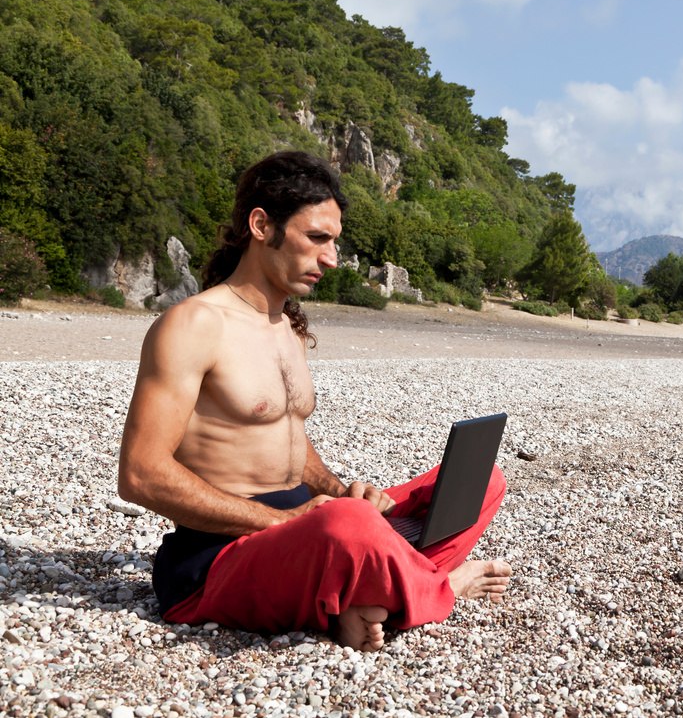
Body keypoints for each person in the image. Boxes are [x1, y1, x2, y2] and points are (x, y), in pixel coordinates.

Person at [117, 151, 511, 651]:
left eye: (334, 242)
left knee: (480, 480)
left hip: (311, 528)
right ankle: (437, 588)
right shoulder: (194, 325)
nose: (331, 258)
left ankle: (360, 595)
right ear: (262, 225)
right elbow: (140, 474)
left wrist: (340, 488)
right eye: (317, 238)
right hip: (218, 558)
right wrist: (285, 521)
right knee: (348, 525)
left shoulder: (288, 328)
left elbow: (286, 438)